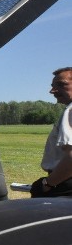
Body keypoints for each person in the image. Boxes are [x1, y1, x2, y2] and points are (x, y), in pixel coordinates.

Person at [31, 67, 72, 197]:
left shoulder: (70, 111)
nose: (52, 91)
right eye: (53, 86)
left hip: (65, 184)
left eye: (61, 84)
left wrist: (48, 184)